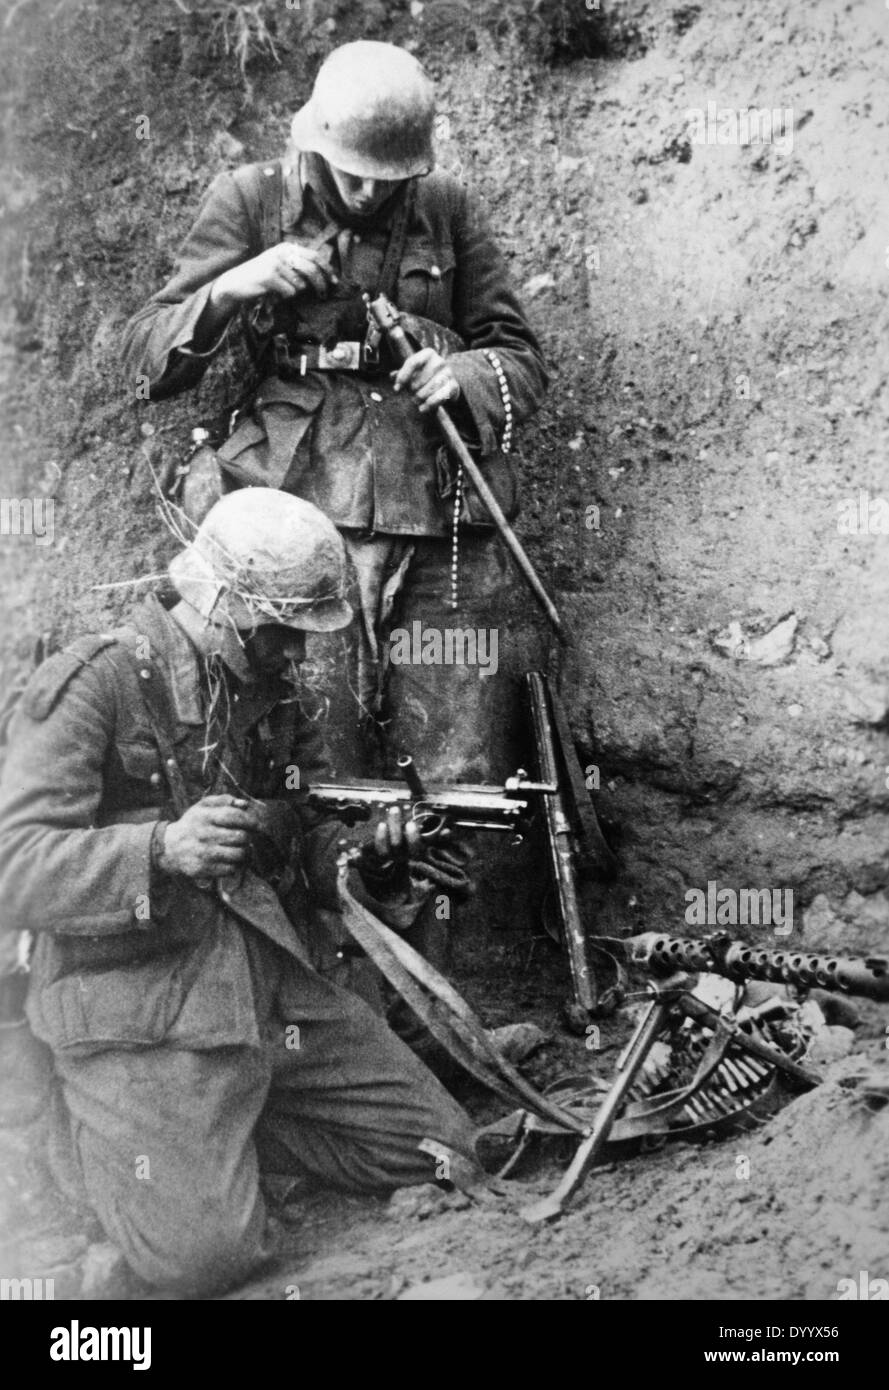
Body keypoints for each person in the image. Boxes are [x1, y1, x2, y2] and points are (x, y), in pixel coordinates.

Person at [0, 488, 484, 1297]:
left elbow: (300, 831)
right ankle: (85, 1156)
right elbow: (12, 864)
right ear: (223, 606)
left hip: (261, 984)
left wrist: (371, 854)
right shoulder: (94, 684)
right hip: (140, 1000)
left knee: (438, 1151)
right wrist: (159, 849)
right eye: (282, 631)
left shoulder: (267, 692)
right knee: (203, 1262)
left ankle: (216, 1144)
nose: (296, 652)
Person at [121, 39, 549, 784]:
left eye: (385, 180)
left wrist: (459, 376)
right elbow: (145, 357)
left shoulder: (445, 206)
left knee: (458, 749)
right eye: (351, 173)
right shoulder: (251, 198)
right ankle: (327, 885)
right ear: (316, 142)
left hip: (441, 513)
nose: (364, 194)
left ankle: (444, 892)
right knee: (319, 742)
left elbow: (518, 354)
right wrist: (234, 287)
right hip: (296, 509)